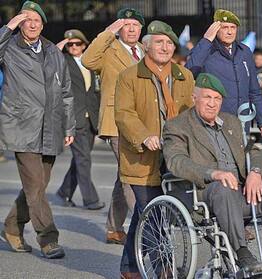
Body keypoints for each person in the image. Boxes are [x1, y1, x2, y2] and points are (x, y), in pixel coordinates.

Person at [163, 72, 262, 274]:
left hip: (241, 193)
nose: (212, 103)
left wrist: (255, 172)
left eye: (217, 99)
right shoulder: (178, 125)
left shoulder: (231, 122)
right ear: (195, 98)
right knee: (224, 188)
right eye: (207, 97)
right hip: (206, 194)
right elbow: (176, 161)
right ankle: (243, 254)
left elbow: (252, 152)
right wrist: (213, 173)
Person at [115, 20, 194, 279]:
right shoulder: (129, 76)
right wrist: (144, 136)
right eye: (159, 42)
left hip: (173, 156)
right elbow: (124, 114)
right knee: (152, 212)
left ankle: (129, 267)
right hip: (141, 157)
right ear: (146, 46)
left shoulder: (185, 76)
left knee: (146, 213)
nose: (165, 47)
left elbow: (191, 115)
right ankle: (164, 269)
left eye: (169, 43)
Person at [0, 1, 75, 259]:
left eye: (37, 20)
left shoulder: (53, 51)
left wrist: (69, 125)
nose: (32, 24)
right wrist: (6, 28)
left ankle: (11, 226)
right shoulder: (9, 47)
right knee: (34, 185)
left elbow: (66, 92)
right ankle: (48, 239)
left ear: (43, 24)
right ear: (19, 22)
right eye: (26, 19)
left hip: (51, 127)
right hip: (23, 126)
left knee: (38, 186)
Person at [82, 8, 144, 245]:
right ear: (119, 28)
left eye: (135, 25)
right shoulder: (109, 50)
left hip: (142, 122)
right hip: (117, 121)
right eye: (126, 25)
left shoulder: (144, 50)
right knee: (131, 173)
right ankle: (146, 224)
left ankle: (114, 227)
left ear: (141, 29)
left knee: (125, 175)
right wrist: (107, 33)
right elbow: (88, 60)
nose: (130, 29)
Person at [185, 9, 262, 138]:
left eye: (233, 27)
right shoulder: (205, 50)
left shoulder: (244, 52)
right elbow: (189, 72)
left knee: (240, 158)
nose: (230, 32)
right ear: (216, 29)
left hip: (241, 120)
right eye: (225, 27)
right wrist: (206, 40)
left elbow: (254, 90)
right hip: (215, 120)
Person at [54, 29, 105, 210]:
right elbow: (48, 65)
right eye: (70, 44)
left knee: (80, 158)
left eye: (77, 43)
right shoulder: (63, 62)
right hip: (73, 119)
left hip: (90, 118)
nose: (73, 47)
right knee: (83, 159)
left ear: (84, 45)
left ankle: (64, 191)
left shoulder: (91, 62)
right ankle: (90, 199)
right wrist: (57, 49)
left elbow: (95, 91)